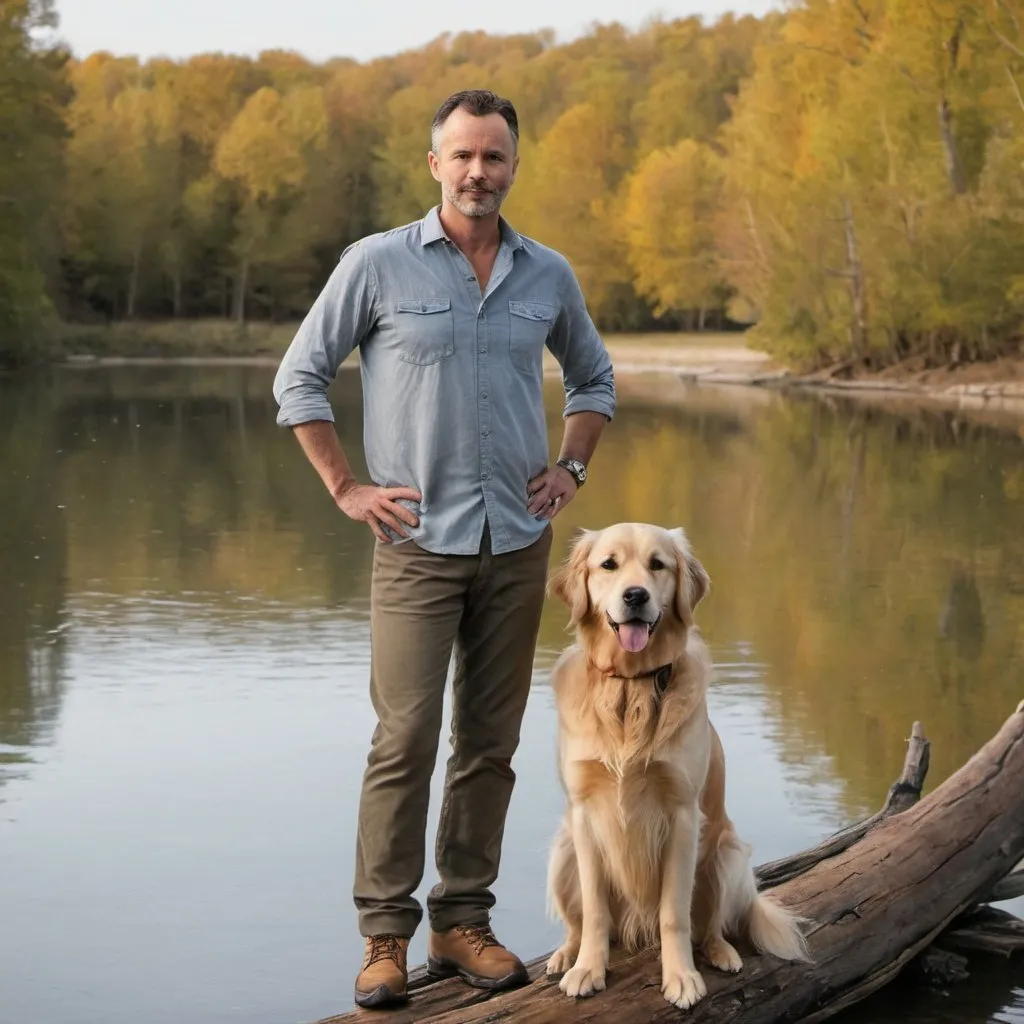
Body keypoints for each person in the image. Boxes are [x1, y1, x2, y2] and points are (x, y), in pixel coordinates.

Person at [272, 88, 616, 1010]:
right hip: (417, 544)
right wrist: (347, 487)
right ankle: (385, 938)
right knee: (405, 737)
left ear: (513, 165)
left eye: (493, 157)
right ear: (435, 165)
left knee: (490, 743)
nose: (477, 172)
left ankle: (463, 922)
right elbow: (299, 379)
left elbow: (595, 377)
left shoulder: (547, 275)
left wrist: (569, 473)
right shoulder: (377, 265)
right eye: (461, 156)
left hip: (518, 544)